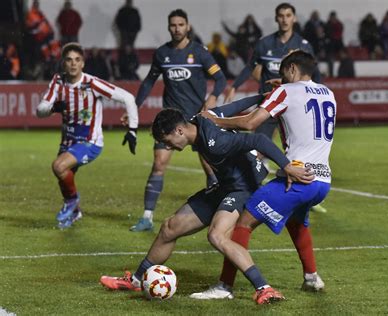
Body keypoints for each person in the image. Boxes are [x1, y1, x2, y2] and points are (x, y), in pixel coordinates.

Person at [99, 98, 313, 304]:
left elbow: (259, 140)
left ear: (179, 131)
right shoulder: (201, 117)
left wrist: (287, 166)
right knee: (170, 227)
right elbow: (233, 106)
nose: (169, 147)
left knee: (217, 235)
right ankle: (136, 280)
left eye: (168, 142)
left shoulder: (216, 143)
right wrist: (262, 96)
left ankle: (264, 289)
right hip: (225, 186)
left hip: (244, 188)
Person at [191, 51, 335, 303]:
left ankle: (225, 286)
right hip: (322, 180)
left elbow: (250, 123)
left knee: (243, 222)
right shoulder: (327, 93)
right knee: (296, 221)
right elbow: (302, 106)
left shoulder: (286, 93)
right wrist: (284, 89)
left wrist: (214, 120)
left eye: (282, 72)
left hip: (297, 176)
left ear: (291, 69)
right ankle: (312, 277)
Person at [128, 9, 226, 232]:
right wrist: (134, 107)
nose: (177, 28)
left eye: (181, 24)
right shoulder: (162, 53)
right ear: (168, 27)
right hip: (170, 121)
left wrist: (212, 98)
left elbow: (220, 78)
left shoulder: (200, 52)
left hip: (196, 120)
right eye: (173, 25)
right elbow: (148, 82)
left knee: (210, 167)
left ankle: (216, 212)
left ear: (188, 26)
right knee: (159, 164)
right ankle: (147, 217)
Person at [36, 42, 139, 229]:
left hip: (90, 142)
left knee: (59, 166)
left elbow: (128, 98)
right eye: (69, 60)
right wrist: (52, 108)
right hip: (67, 141)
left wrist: (132, 130)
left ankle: (71, 202)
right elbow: (40, 110)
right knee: (64, 174)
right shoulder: (58, 81)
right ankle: (76, 212)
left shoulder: (92, 83)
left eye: (77, 60)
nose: (73, 64)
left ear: (83, 63)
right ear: (63, 63)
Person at [225, 3, 319, 151]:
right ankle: (262, 163)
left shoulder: (304, 46)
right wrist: (234, 86)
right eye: (281, 16)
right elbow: (250, 66)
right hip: (269, 100)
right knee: (257, 145)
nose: (284, 20)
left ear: (294, 18)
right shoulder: (264, 43)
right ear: (276, 18)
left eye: (288, 16)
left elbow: (313, 75)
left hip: (294, 104)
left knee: (297, 148)